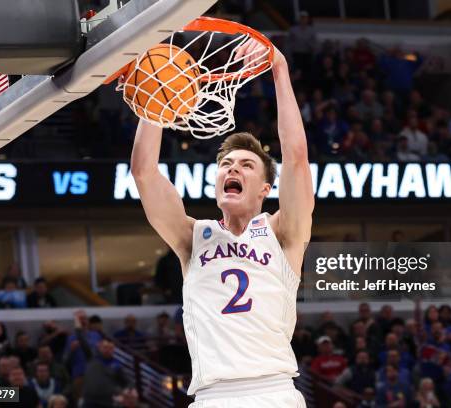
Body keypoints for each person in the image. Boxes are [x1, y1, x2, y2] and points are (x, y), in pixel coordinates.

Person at [129, 40, 313, 407]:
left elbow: (295, 158)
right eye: (226, 164)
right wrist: (153, 97)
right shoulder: (192, 237)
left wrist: (279, 66)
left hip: (272, 391)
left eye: (246, 165)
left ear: (264, 188)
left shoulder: (282, 233)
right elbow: (144, 172)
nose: (233, 168)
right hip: (212, 396)